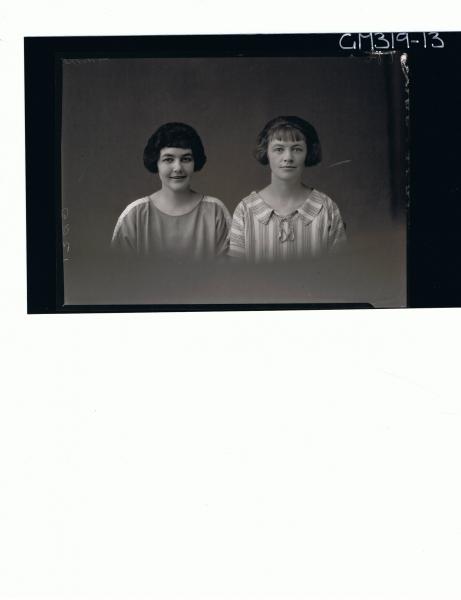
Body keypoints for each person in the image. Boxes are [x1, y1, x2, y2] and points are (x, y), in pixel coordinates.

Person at [228, 116, 346, 262]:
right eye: (278, 149)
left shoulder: (326, 208)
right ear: (266, 152)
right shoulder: (246, 210)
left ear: (308, 153)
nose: (288, 157)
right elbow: (236, 275)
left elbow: (339, 271)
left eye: (297, 149)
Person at [111, 122, 231, 259]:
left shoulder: (216, 212)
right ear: (156, 163)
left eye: (186, 159)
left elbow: (231, 274)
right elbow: (117, 276)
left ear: (195, 162)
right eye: (168, 159)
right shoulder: (134, 216)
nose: (178, 167)